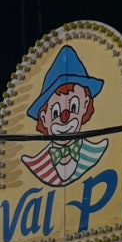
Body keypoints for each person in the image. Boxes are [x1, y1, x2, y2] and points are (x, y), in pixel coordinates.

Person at [21, 45, 108, 187]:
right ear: (44, 118)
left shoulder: (95, 152)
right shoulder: (37, 166)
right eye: (55, 112)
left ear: (85, 105)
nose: (65, 118)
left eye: (73, 107)